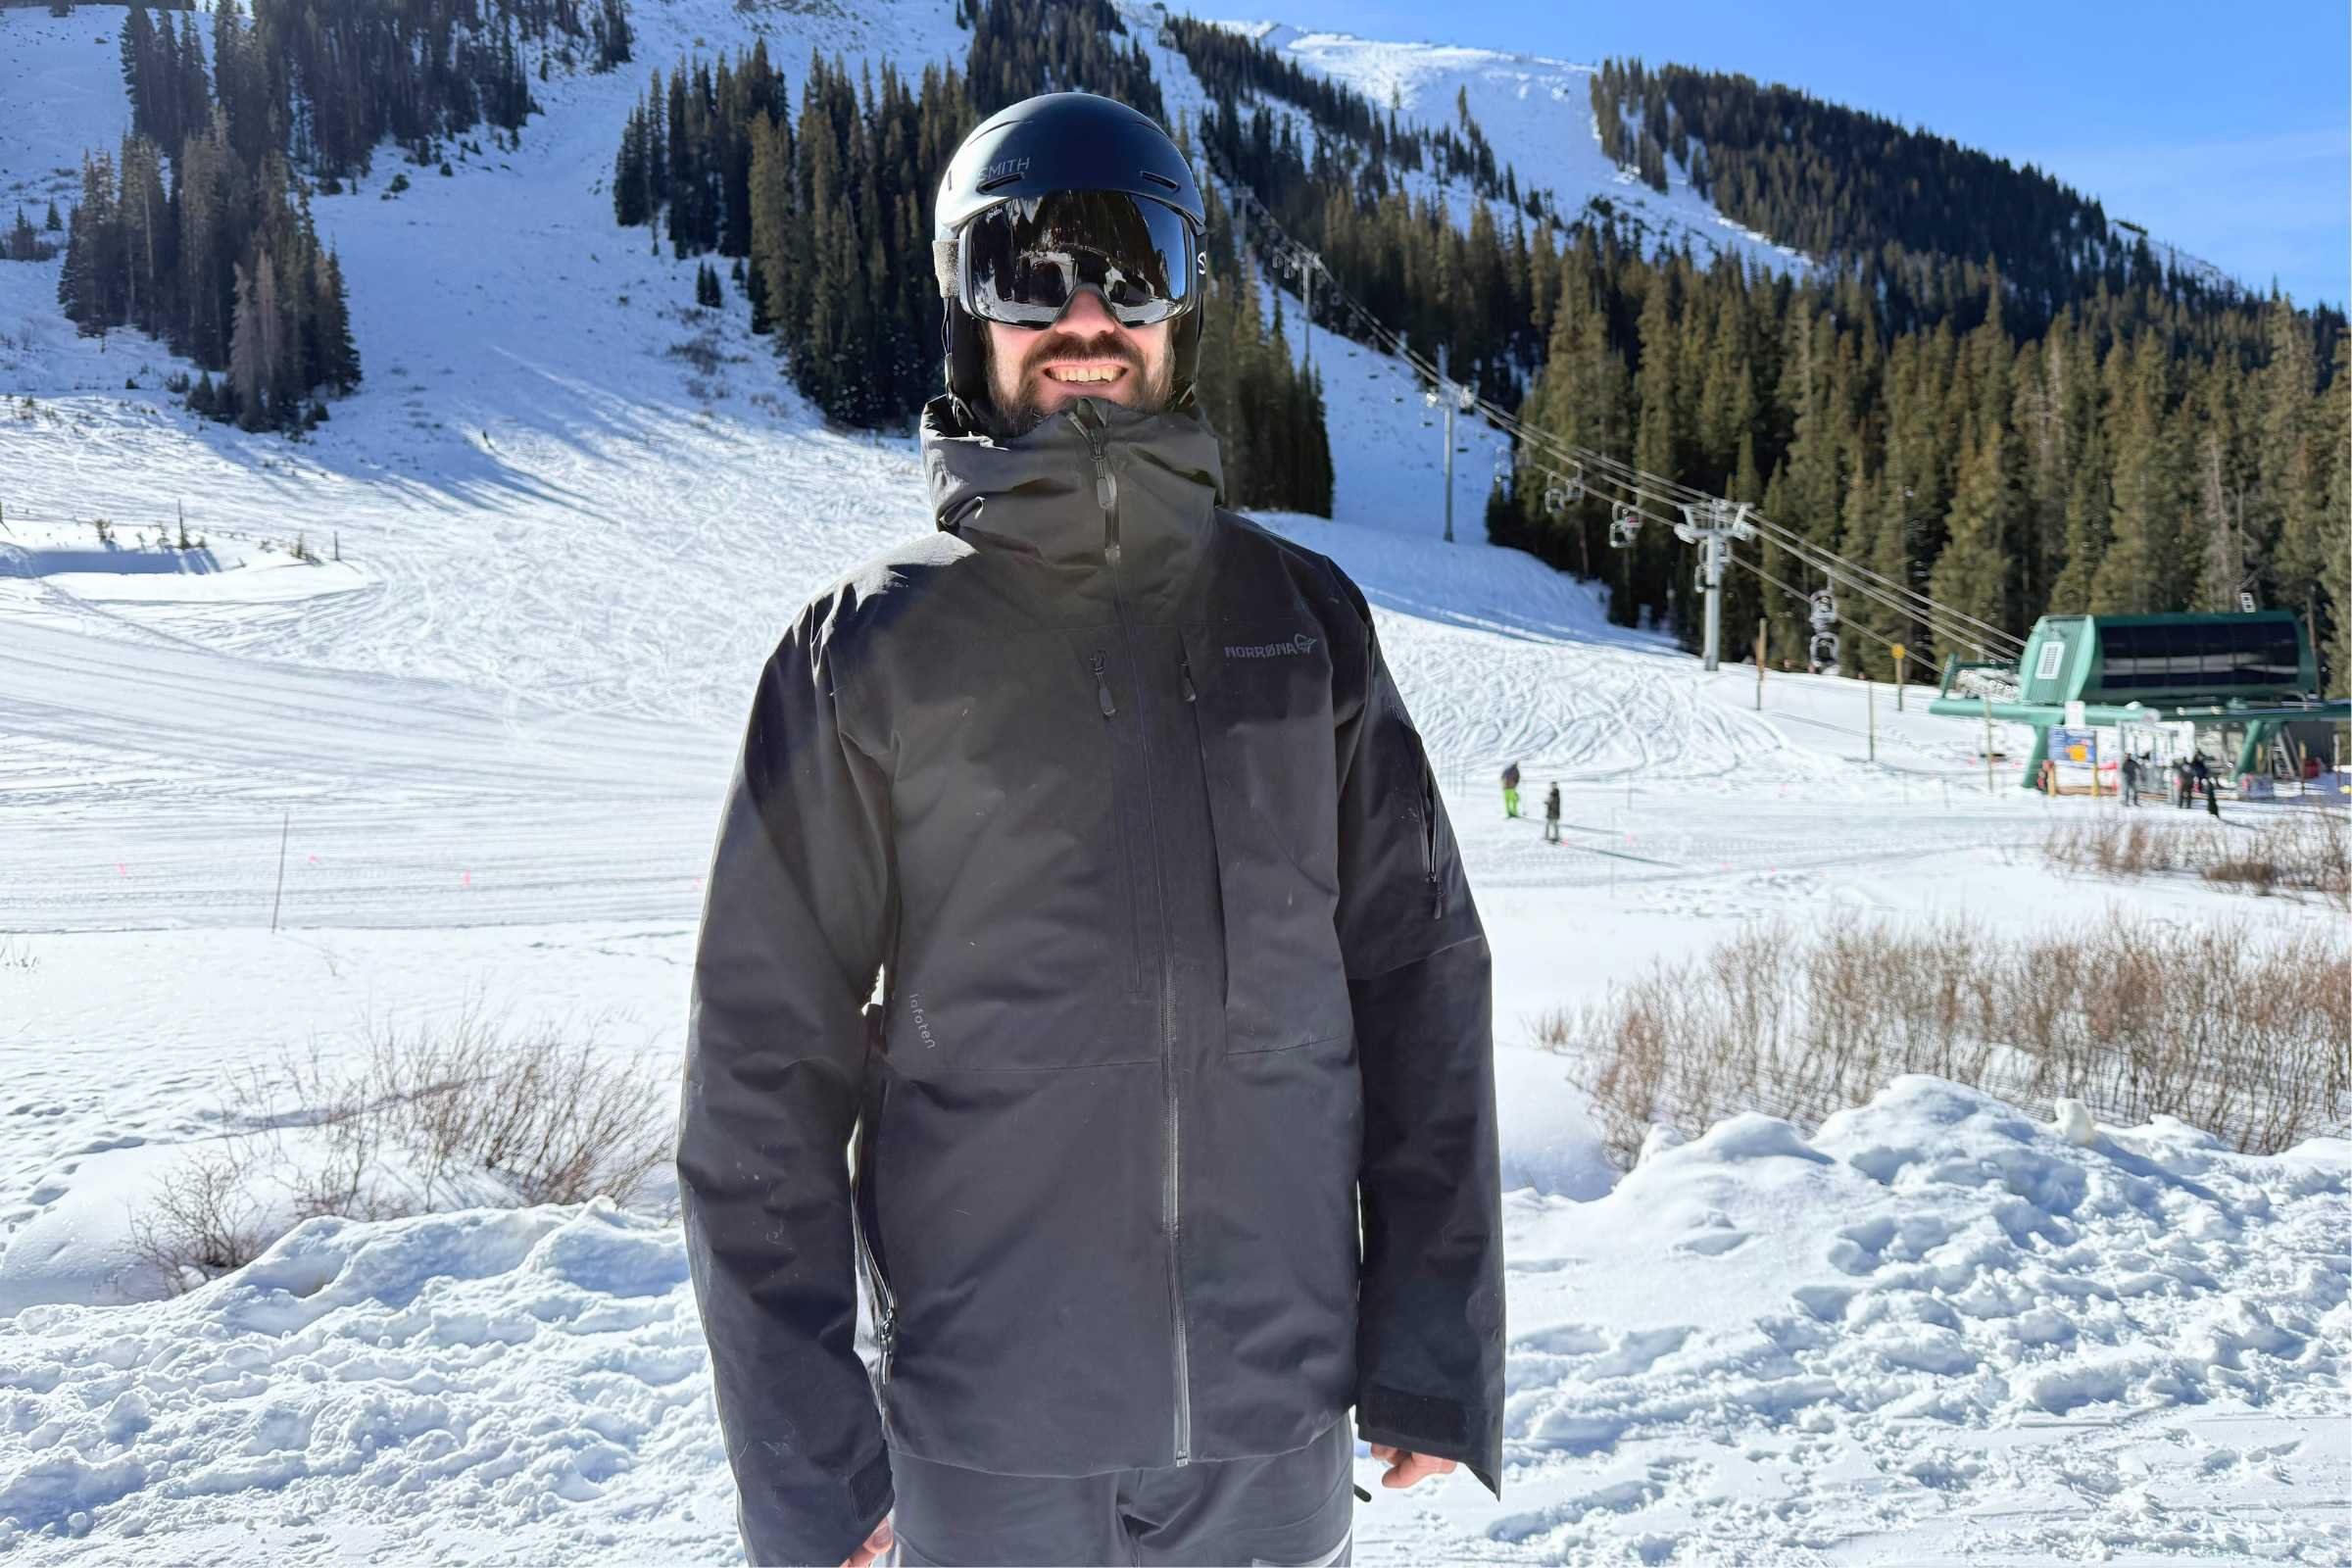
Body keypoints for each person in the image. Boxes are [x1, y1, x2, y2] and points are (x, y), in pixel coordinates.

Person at [677, 92, 1502, 1568]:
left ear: (1184, 305)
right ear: (963, 311)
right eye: (1025, 269)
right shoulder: (867, 649)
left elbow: (1418, 976)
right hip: (988, 1443)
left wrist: (1431, 1340)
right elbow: (761, 1063)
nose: (1085, 314)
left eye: (1132, 263)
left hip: (1275, 1430)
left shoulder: (1301, 623)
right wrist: (809, 1461)